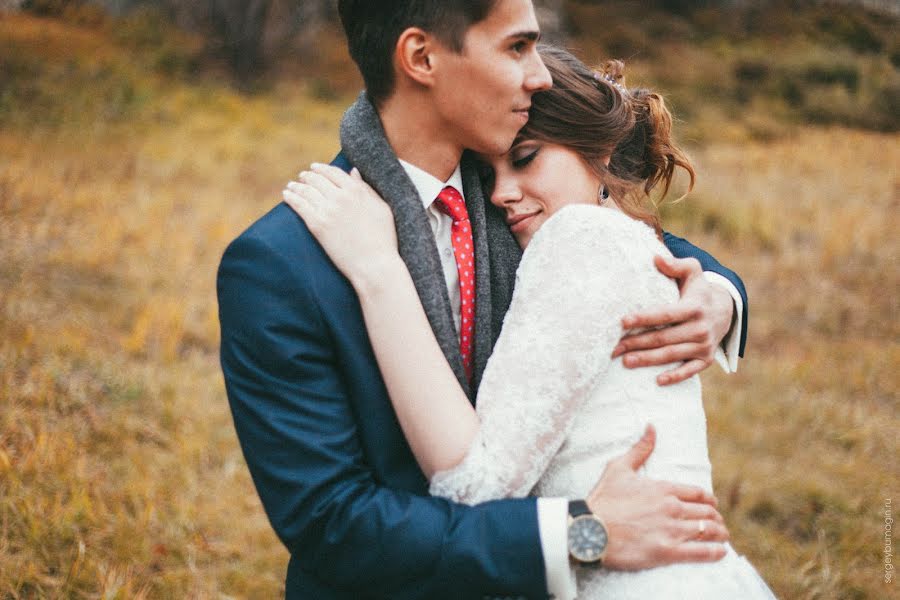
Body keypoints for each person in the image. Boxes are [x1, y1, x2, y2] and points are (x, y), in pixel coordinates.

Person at [218, 1, 748, 598]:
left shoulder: (510, 186)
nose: (540, 73)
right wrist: (577, 535)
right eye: (516, 48)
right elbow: (333, 524)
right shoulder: (279, 266)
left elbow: (611, 231)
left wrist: (718, 294)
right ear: (422, 57)